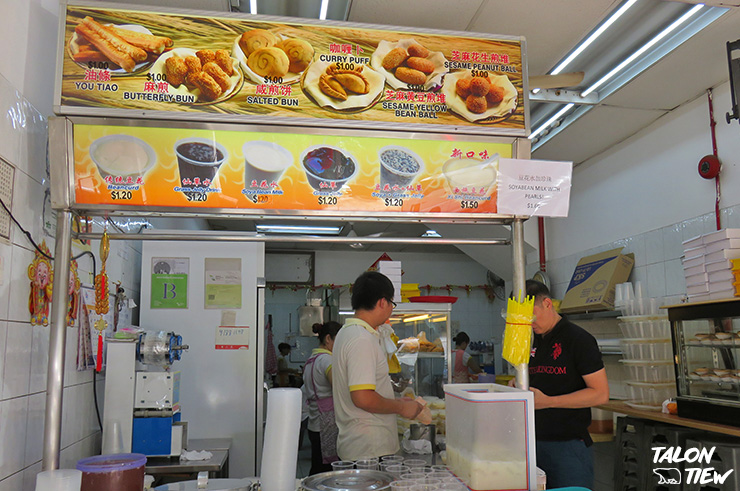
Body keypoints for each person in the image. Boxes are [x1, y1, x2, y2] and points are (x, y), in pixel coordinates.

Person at [525, 279, 609, 490]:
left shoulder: (578, 340)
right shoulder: (530, 340)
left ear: (547, 304)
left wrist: (549, 402)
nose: (530, 322)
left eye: (532, 315)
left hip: (568, 446)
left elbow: (600, 394)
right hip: (532, 444)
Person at [332, 271, 424, 460]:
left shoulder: (347, 333)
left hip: (362, 446)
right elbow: (363, 398)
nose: (391, 309)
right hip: (369, 450)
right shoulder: (361, 339)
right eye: (392, 303)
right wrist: (401, 408)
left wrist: (398, 402)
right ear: (383, 302)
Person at [302, 321, 342, 474]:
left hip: (314, 423)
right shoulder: (327, 360)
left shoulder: (311, 360)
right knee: (327, 469)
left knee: (317, 466)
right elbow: (339, 388)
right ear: (328, 339)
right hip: (327, 424)